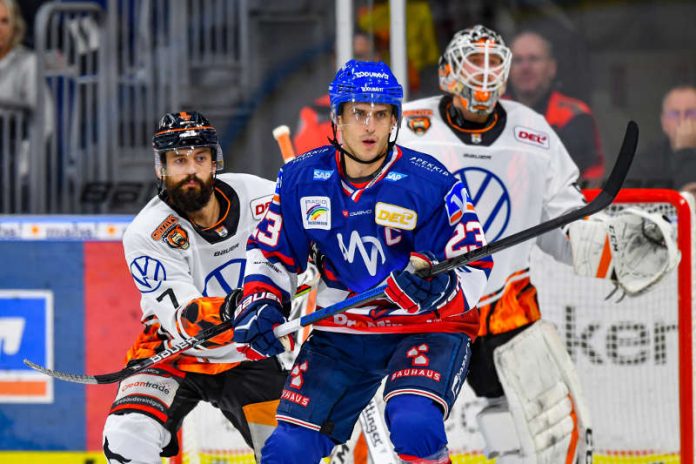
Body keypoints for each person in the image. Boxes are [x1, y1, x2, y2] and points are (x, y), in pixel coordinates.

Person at [398, 25, 677, 464]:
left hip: (507, 304)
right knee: (395, 426)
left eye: (494, 64)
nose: (485, 76)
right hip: (423, 305)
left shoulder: (533, 131)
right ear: (448, 72)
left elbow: (562, 222)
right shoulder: (409, 126)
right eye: (475, 63)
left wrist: (608, 250)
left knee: (553, 431)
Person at [233, 60, 493, 463]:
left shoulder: (431, 180)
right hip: (345, 330)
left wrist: (439, 291)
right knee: (288, 451)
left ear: (394, 121)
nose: (370, 126)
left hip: (423, 325)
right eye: (358, 113)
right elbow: (271, 254)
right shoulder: (301, 179)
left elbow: (475, 266)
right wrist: (261, 302)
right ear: (337, 118)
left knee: (414, 423)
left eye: (381, 114)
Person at [102, 111, 287, 464]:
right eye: (179, 160)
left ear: (214, 162)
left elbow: (307, 250)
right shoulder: (147, 233)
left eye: (200, 158)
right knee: (126, 439)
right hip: (175, 353)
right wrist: (235, 307)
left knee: (291, 455)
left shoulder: (262, 198)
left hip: (250, 352)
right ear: (162, 168)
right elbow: (185, 321)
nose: (190, 170)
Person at [506, 30, 604, 184]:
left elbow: (578, 177)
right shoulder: (494, 111)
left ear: (551, 67)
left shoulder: (573, 114)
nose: (525, 67)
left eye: (533, 59)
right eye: (517, 60)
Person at [293, 31, 379, 154]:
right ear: (335, 61)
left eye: (361, 56)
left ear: (376, 59)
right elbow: (310, 164)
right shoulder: (315, 113)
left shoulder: (393, 108)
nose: (355, 65)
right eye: (348, 57)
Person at [627, 84, 696, 190]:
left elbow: (691, 197)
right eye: (675, 114)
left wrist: (685, 150)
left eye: (691, 113)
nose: (682, 120)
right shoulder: (647, 160)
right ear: (664, 122)